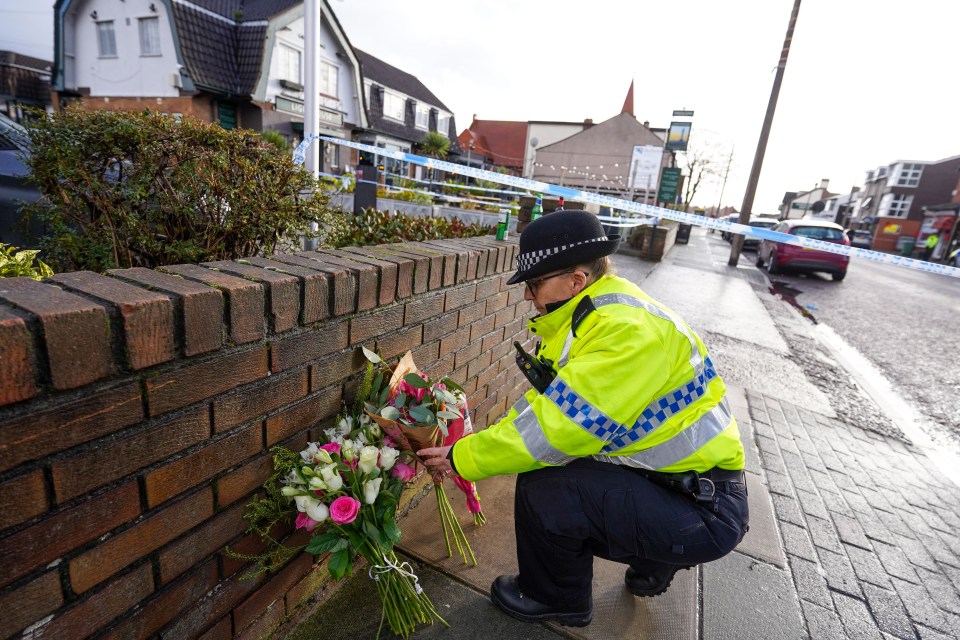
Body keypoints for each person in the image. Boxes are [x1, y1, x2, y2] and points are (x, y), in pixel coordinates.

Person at [419, 210, 749, 627]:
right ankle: (655, 556)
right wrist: (477, 442)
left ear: (576, 280)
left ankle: (556, 598)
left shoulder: (624, 333)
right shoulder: (598, 315)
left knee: (545, 486)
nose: (527, 296)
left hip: (704, 511)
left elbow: (555, 433)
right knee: (559, 470)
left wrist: (461, 458)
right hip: (684, 486)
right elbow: (541, 413)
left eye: (534, 283)